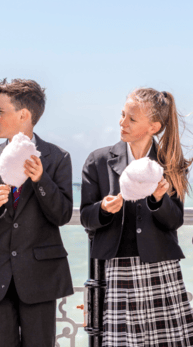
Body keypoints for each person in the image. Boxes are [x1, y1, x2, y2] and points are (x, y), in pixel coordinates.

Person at [0, 78, 74, 347]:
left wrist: (41, 181)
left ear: (23, 115)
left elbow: (63, 215)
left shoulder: (58, 157)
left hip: (40, 277)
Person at [80, 88, 193, 346]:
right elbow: (86, 216)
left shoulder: (170, 162)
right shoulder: (98, 161)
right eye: (122, 115)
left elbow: (174, 221)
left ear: (153, 126)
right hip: (117, 269)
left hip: (161, 266)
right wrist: (103, 209)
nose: (122, 123)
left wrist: (158, 200)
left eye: (131, 119)